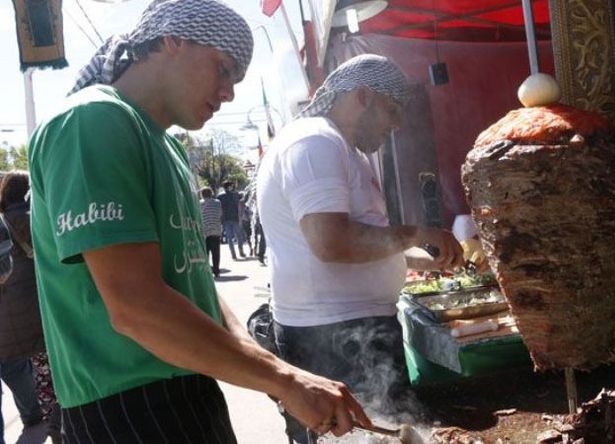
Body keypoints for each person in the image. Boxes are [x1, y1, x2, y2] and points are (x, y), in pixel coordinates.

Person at [27, 1, 371, 442]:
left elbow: (198, 288)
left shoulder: (168, 148)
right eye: (223, 69)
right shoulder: (93, 121)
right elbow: (136, 307)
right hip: (125, 409)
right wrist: (285, 380)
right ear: (172, 40)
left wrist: (277, 375)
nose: (228, 94)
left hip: (192, 389)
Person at [257, 54, 465, 442]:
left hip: (355, 330)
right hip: (333, 337)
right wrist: (416, 233)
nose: (397, 124)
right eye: (392, 110)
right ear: (364, 96)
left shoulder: (343, 148)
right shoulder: (315, 142)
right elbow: (331, 242)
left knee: (389, 433)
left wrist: (426, 260)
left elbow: (364, 242)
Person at [0, 172, 47, 444]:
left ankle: (36, 416)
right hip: (39, 305)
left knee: (15, 365)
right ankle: (42, 417)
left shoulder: (5, 221)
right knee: (32, 367)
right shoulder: (39, 218)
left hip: (9, 312)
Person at [217, 180, 246, 259]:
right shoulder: (235, 194)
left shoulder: (220, 196)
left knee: (229, 237)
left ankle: (233, 254)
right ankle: (241, 251)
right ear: (229, 186)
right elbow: (241, 201)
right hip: (235, 218)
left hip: (225, 219)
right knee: (239, 236)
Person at [200, 187, 223, 277]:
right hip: (215, 230)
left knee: (205, 253)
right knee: (216, 252)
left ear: (202, 195)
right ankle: (216, 271)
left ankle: (206, 271)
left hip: (204, 231)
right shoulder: (217, 202)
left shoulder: (199, 204)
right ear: (211, 193)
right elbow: (220, 214)